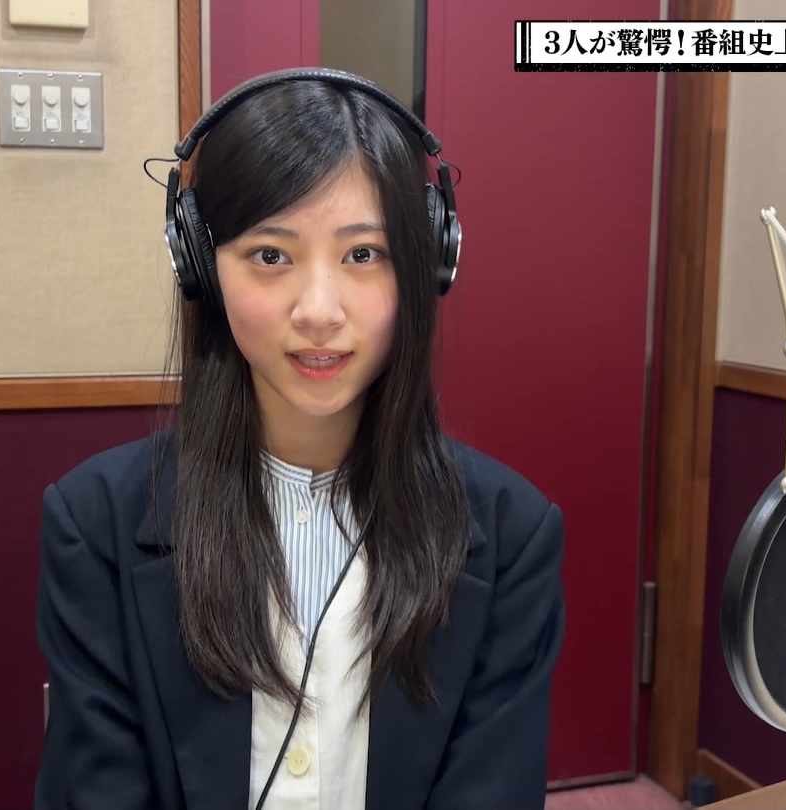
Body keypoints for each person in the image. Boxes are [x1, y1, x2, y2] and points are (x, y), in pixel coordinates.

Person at [32, 67, 566, 810]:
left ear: (427, 263)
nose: (318, 311)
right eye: (270, 255)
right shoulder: (94, 524)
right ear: (199, 264)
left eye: (363, 254)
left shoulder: (513, 535)